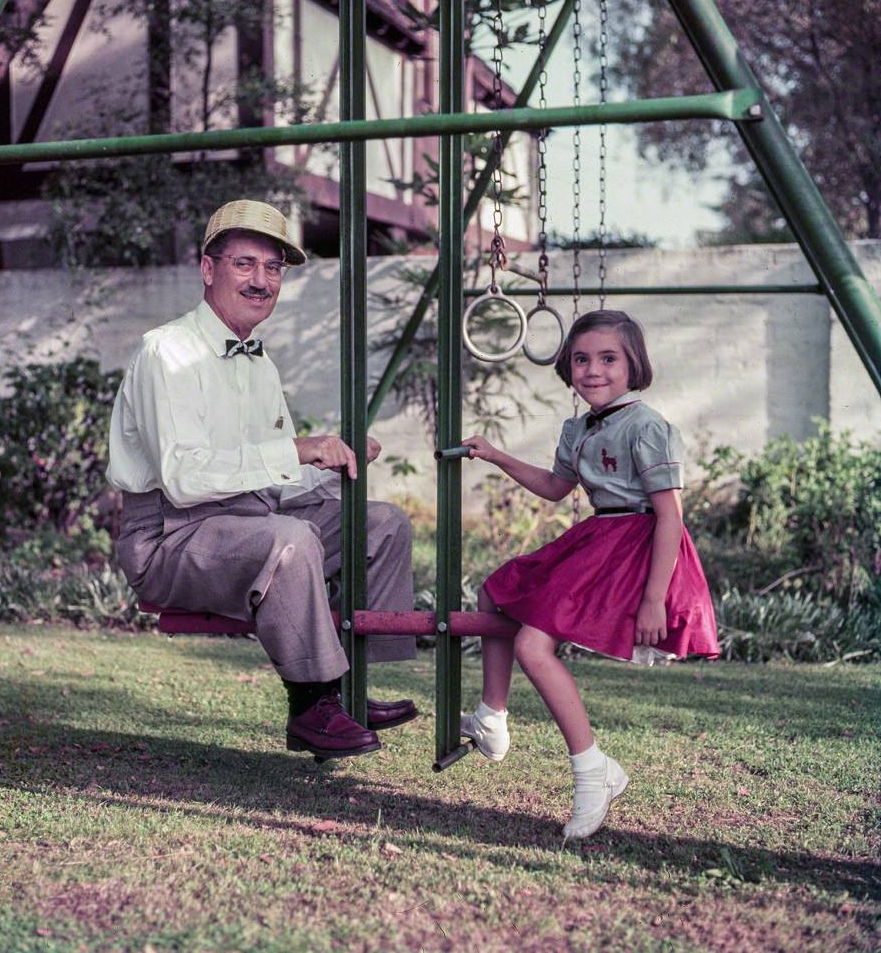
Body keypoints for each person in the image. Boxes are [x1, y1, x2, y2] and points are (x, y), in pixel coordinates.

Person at [106, 200, 418, 762]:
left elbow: (277, 477)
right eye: (245, 264)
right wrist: (297, 449)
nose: (261, 281)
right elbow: (184, 478)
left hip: (248, 518)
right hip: (171, 537)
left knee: (381, 523)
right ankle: (312, 705)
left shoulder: (259, 363)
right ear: (208, 269)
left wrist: (333, 459)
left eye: (273, 268)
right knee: (289, 541)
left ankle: (353, 687)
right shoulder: (167, 352)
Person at [458, 309, 719, 839]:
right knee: (496, 592)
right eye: (581, 359)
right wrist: (497, 456)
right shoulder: (576, 428)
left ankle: (591, 769)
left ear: (633, 365)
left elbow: (669, 515)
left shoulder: (647, 426)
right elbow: (557, 488)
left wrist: (654, 598)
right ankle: (492, 714)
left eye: (607, 359)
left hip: (635, 546)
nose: (592, 370)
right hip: (597, 539)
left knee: (534, 645)